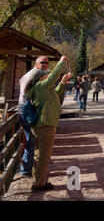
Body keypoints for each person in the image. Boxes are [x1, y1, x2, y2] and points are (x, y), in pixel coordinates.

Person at [25, 55, 71, 191]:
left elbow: (56, 93)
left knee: (40, 154)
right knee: (44, 156)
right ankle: (39, 183)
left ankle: (38, 179)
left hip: (41, 125)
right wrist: (61, 62)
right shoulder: (41, 86)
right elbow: (53, 77)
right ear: (40, 78)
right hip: (45, 125)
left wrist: (62, 82)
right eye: (45, 75)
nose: (47, 76)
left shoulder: (44, 89)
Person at [17, 56, 49, 177]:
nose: (45, 64)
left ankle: (29, 168)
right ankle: (26, 170)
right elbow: (27, 95)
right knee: (30, 141)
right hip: (27, 112)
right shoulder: (34, 75)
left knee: (31, 140)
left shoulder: (30, 74)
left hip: (24, 111)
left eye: (47, 63)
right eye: (42, 62)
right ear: (36, 63)